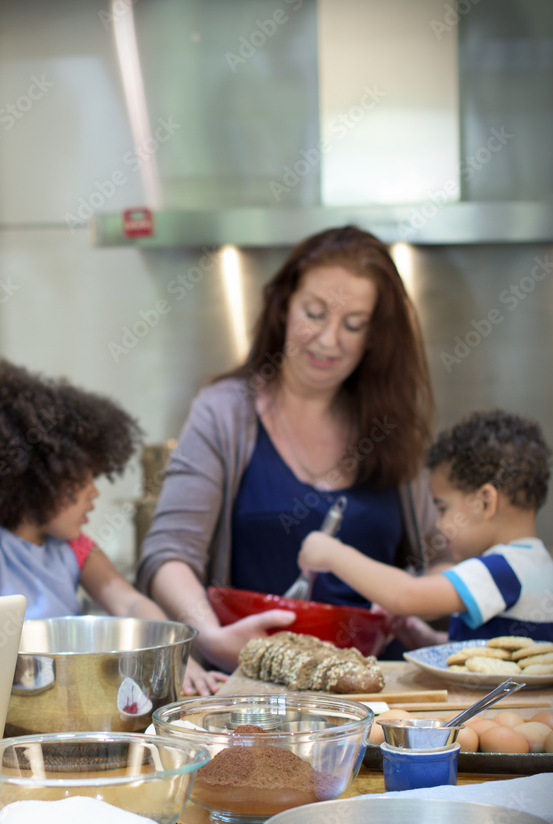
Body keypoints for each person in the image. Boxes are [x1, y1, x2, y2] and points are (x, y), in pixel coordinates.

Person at [136, 225, 439, 680]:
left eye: (353, 324)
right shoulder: (225, 412)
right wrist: (213, 637)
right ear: (283, 306)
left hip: (380, 687)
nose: (328, 339)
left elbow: (445, 555)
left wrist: (411, 597)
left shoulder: (392, 425)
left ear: (375, 335)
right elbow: (168, 554)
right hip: (259, 684)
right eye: (315, 313)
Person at [0, 358, 214, 692]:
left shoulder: (74, 547)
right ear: (33, 480)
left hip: (66, 704)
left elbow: (131, 604)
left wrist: (179, 658)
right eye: (79, 479)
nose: (94, 492)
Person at [299, 410, 553, 643]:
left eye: (443, 508)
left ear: (485, 502)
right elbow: (484, 652)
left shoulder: (503, 569)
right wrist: (427, 638)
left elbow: (406, 595)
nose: (439, 525)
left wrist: (333, 554)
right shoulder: (535, 564)